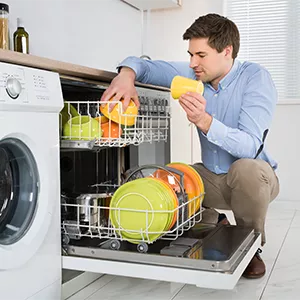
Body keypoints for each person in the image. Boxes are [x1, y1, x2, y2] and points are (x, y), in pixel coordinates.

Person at [101, 13, 279, 279]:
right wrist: (125, 75)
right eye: (190, 54)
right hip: (212, 177)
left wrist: (205, 121)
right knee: (172, 176)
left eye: (201, 55)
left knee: (246, 169)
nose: (193, 62)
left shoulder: (255, 78)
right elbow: (146, 66)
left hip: (254, 180)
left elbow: (250, 146)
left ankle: (250, 246)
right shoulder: (194, 75)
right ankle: (215, 221)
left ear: (226, 51)